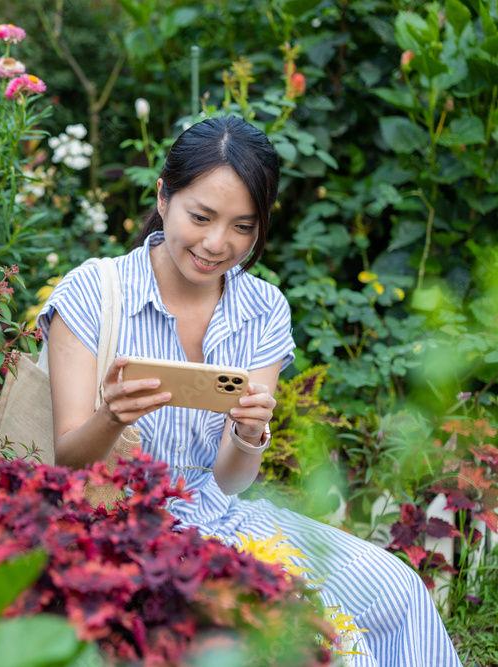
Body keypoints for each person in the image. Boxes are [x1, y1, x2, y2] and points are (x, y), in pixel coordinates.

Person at [36, 116, 462, 667]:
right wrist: (111, 418)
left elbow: (232, 481)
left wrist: (249, 432)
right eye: (201, 217)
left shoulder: (262, 308)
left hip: (222, 515)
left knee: (395, 589)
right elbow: (66, 463)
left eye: (243, 226)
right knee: (309, 636)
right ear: (163, 197)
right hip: (120, 524)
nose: (218, 244)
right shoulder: (93, 293)